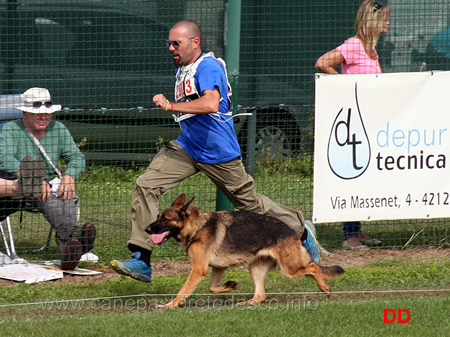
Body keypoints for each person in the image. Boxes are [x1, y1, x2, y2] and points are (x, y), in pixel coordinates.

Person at [110, 20, 321, 282]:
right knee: (146, 185)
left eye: (176, 43)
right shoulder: (185, 66)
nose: (171, 48)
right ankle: (141, 259)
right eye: (169, 43)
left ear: (195, 42)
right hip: (188, 146)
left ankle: (300, 229)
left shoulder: (207, 66)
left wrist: (170, 106)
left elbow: (211, 103)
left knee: (249, 203)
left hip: (218, 151)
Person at [315, 0, 389, 249]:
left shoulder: (372, 49)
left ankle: (357, 230)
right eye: (385, 19)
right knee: (354, 174)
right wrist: (347, 85)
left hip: (370, 118)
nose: (388, 23)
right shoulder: (354, 45)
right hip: (354, 121)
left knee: (366, 174)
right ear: (372, 21)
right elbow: (322, 62)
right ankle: (350, 236)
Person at [0, 87, 96, 269]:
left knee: (65, 192)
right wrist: (32, 178)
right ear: (24, 113)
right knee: (44, 195)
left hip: (52, 183)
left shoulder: (58, 129)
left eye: (47, 113)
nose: (43, 117)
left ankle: (70, 246)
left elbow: (76, 157)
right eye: (37, 113)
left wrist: (70, 175)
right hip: (19, 186)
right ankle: (74, 240)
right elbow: (4, 159)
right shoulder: (12, 129)